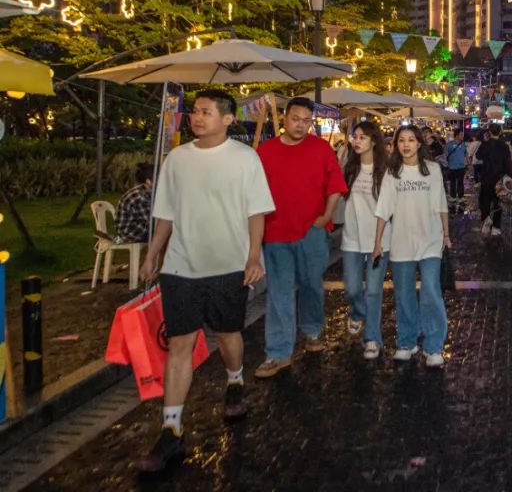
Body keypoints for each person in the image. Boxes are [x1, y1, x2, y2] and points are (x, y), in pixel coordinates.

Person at [137, 90, 275, 472]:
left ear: (228, 119)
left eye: (206, 112)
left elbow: (256, 213)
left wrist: (252, 257)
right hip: (181, 266)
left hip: (229, 265)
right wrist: (153, 255)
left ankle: (234, 380)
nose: (196, 118)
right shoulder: (176, 159)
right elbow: (165, 213)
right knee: (180, 343)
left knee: (229, 333)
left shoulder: (246, 159)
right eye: (194, 111)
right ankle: (171, 430)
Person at [254, 97, 348, 379]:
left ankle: (312, 331)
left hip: (312, 231)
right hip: (276, 232)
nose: (301, 125)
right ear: (285, 118)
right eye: (296, 119)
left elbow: (335, 186)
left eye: (307, 121)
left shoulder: (320, 148)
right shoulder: (265, 152)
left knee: (311, 286)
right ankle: (278, 352)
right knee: (279, 293)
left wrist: (325, 216)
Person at [373, 125, 450, 367]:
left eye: (411, 140)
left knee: (430, 291)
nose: (406, 144)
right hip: (401, 242)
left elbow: (441, 205)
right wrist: (377, 243)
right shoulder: (392, 173)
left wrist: (446, 234)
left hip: (430, 240)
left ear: (419, 143)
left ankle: (434, 345)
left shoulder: (433, 170)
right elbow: (383, 210)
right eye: (401, 140)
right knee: (404, 294)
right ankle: (407, 341)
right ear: (396, 145)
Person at [340, 121, 390, 360]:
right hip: (351, 237)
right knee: (351, 287)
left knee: (373, 291)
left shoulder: (386, 171)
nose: (357, 141)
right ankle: (358, 312)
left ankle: (372, 338)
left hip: (379, 240)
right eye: (355, 136)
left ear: (373, 141)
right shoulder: (349, 168)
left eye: (362, 137)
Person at [475, 124, 512, 237]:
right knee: (498, 203)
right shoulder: (504, 146)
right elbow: (508, 163)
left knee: (484, 200)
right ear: (500, 132)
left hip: (486, 177)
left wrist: (484, 141)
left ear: (489, 132)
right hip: (499, 179)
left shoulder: (485, 144)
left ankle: (486, 218)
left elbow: (478, 156)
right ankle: (496, 228)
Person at [115, 161, 155, 244]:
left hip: (138, 228)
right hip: (130, 233)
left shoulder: (146, 191)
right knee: (164, 234)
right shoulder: (139, 196)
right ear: (148, 181)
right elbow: (151, 221)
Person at [445, 129, 468, 201]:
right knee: (453, 182)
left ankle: (461, 196)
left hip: (461, 166)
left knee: (460, 182)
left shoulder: (463, 144)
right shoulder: (449, 144)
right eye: (461, 134)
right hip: (452, 166)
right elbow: (445, 155)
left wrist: (467, 162)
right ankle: (453, 196)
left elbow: (465, 154)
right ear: (457, 135)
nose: (463, 136)